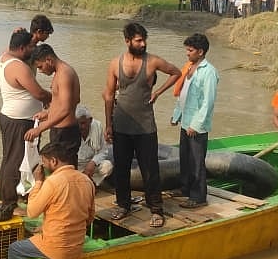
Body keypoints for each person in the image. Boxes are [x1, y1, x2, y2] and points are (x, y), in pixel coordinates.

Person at [103, 23, 181, 228]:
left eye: (144, 40)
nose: (143, 44)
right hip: (121, 124)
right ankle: (123, 205)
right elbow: (109, 95)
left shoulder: (152, 61)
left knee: (150, 169)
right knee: (121, 168)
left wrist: (158, 91)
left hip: (145, 127)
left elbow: (176, 72)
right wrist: (108, 124)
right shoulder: (115, 64)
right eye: (138, 40)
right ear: (127, 41)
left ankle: (156, 209)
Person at [6, 143, 96, 259]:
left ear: (53, 161)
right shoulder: (87, 181)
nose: (43, 165)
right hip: (76, 247)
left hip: (56, 248)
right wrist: (45, 227)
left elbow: (32, 212)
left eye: (44, 162)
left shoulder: (53, 182)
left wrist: (38, 182)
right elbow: (89, 218)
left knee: (14, 248)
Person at [0, 30, 52, 209]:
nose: (33, 49)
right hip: (19, 121)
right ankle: (8, 201)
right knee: (16, 160)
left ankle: (8, 195)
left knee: (10, 158)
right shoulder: (18, 66)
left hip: (12, 117)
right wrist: (54, 98)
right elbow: (38, 92)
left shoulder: (5, 56)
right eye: (30, 46)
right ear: (21, 48)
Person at [171, 33, 218, 208]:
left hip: (196, 125)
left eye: (190, 50)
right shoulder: (189, 68)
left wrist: (196, 125)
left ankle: (198, 197)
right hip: (186, 121)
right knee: (185, 158)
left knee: (197, 161)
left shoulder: (209, 72)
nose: (187, 53)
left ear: (200, 52)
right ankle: (185, 188)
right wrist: (177, 115)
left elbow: (208, 101)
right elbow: (183, 94)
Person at [25, 45, 81, 165]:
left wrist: (40, 128)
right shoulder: (60, 73)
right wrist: (48, 113)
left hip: (66, 133)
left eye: (40, 66)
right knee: (57, 169)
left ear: (49, 60)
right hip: (59, 130)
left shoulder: (64, 74)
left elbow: (66, 109)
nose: (40, 71)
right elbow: (71, 101)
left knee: (65, 170)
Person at [75, 105, 114, 185]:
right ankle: (85, 182)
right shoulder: (72, 129)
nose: (80, 127)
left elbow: (103, 151)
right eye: (77, 123)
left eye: (82, 123)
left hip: (92, 165)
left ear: (90, 120)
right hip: (77, 166)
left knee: (107, 167)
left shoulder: (97, 126)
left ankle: (90, 182)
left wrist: (93, 162)